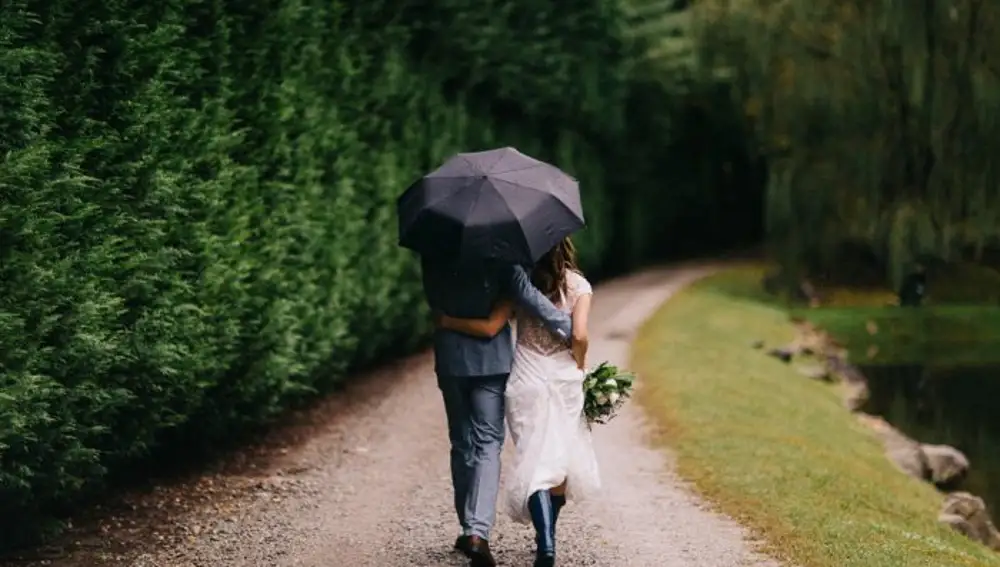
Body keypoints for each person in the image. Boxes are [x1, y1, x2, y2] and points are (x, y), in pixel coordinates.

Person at [437, 237, 600, 567]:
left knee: (533, 457)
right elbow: (579, 336)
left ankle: (543, 544)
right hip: (562, 378)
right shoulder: (580, 285)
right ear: (567, 250)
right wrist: (580, 363)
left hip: (526, 378)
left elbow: (493, 324)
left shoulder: (521, 281)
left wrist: (445, 320)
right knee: (559, 459)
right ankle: (546, 540)